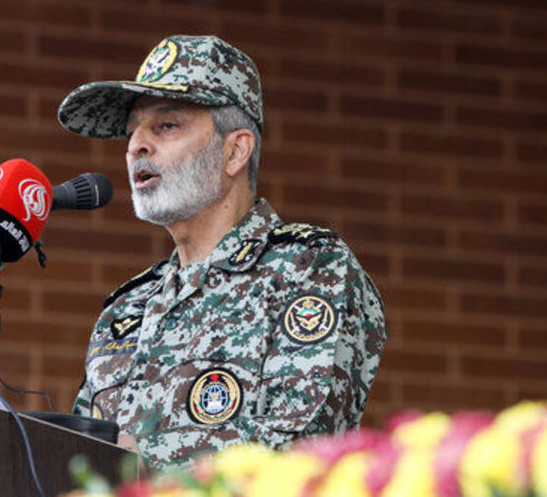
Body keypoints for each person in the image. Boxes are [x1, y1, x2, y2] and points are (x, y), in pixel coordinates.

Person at [56, 35, 386, 469]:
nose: (136, 145)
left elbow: (302, 450)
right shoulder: (126, 310)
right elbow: (78, 468)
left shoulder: (308, 267)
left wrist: (141, 462)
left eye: (166, 125)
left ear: (235, 151)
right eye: (132, 130)